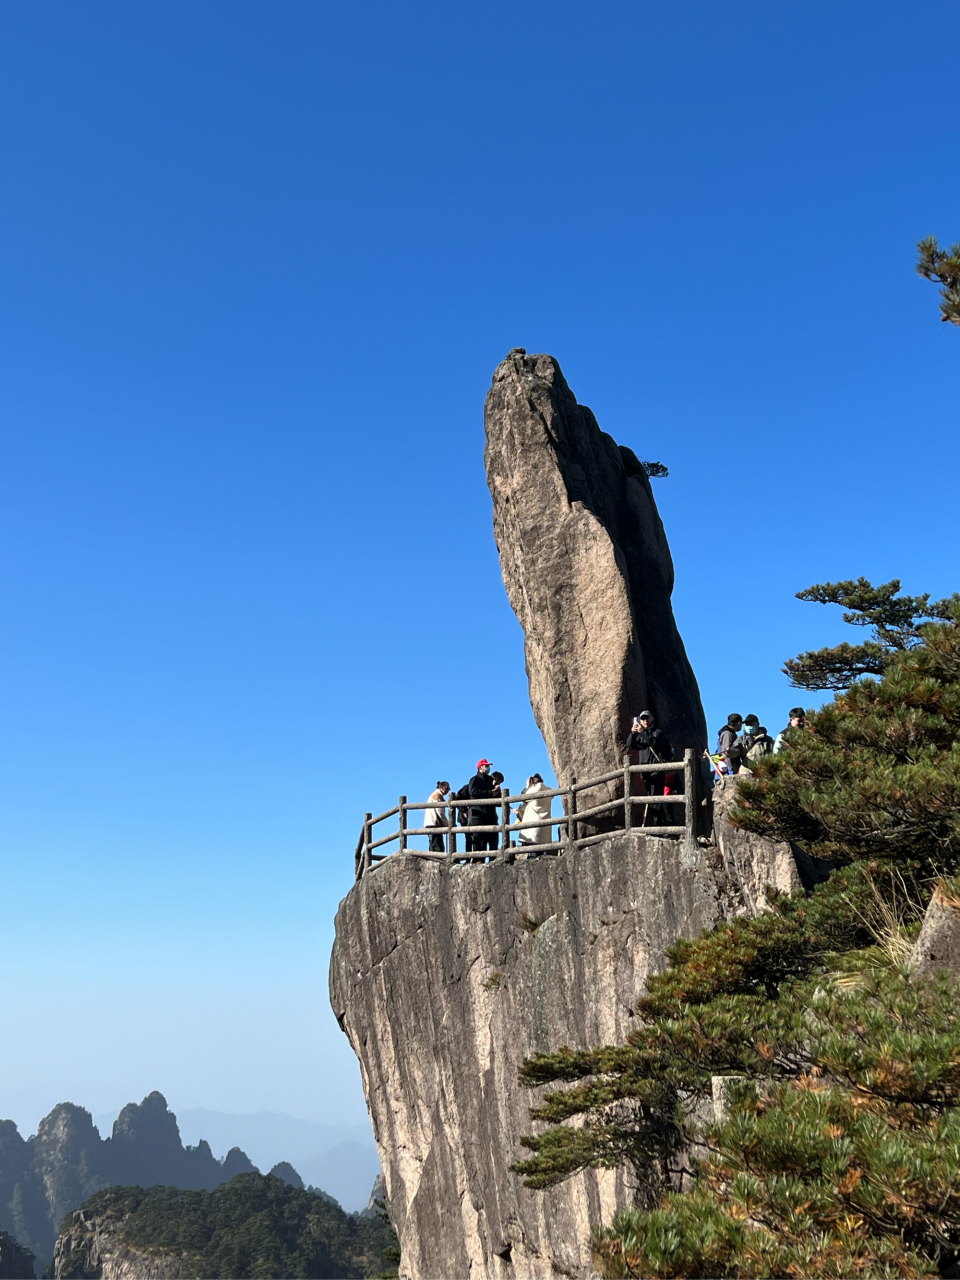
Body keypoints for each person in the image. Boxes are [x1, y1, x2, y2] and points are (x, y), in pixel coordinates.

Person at [625, 711, 674, 824]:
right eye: (643, 719)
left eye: (647, 718)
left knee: (655, 799)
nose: (645, 721)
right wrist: (632, 733)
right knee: (652, 799)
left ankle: (659, 826)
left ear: (652, 719)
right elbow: (630, 744)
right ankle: (659, 825)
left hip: (657, 770)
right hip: (646, 772)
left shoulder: (658, 732)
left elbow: (653, 742)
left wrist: (643, 732)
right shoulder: (642, 735)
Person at [467, 759, 497, 855]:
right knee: (479, 842)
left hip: (490, 815)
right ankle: (478, 861)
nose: (488, 768)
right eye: (486, 766)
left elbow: (495, 794)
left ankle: (494, 860)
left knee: (493, 841)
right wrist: (489, 793)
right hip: (478, 816)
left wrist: (496, 791)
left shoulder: (490, 780)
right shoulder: (474, 780)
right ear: (481, 767)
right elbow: (473, 792)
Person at [516, 774, 553, 848]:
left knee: (533, 851)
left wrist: (527, 786)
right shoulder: (549, 790)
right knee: (544, 851)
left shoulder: (532, 790)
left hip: (533, 827)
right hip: (545, 826)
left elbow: (523, 797)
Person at [423, 781, 450, 853]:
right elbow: (440, 812)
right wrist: (447, 824)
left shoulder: (435, 795)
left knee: (433, 845)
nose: (448, 791)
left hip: (431, 823)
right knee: (438, 847)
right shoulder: (437, 796)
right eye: (447, 788)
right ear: (442, 788)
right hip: (434, 824)